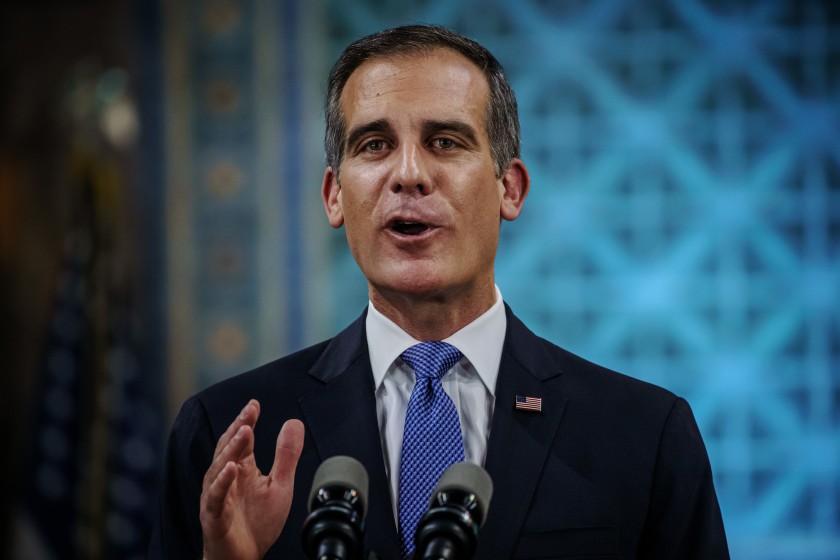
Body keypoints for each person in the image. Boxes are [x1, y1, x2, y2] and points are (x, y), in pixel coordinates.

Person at [148, 25, 729, 559]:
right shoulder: (230, 438)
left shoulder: (642, 435)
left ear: (511, 188)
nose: (408, 174)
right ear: (334, 196)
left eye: (446, 141)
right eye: (373, 144)